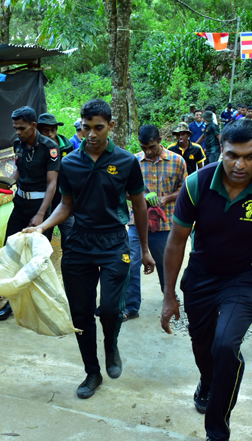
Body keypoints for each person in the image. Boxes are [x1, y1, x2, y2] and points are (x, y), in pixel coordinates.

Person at [161, 119, 252, 441]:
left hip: (244, 278)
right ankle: (208, 380)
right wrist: (169, 296)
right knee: (202, 346)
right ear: (220, 150)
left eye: (250, 156)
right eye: (232, 155)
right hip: (201, 276)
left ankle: (217, 433)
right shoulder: (196, 184)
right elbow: (176, 241)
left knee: (225, 347)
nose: (240, 165)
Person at [23, 99, 156, 399]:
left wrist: (145, 249)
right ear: (80, 127)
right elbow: (65, 205)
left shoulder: (126, 162)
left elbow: (139, 204)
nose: (92, 134)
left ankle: (111, 344)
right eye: (86, 128)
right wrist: (42, 226)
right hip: (79, 244)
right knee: (81, 315)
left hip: (113, 243)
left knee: (109, 310)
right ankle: (92, 372)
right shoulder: (70, 163)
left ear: (111, 126)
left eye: (98, 127)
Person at [0, 106, 60, 321]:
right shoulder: (18, 145)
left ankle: (40, 301)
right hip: (20, 204)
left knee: (37, 257)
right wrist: (5, 181)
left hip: (39, 207)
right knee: (11, 250)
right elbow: (19, 170)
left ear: (33, 126)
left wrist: (41, 215)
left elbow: (52, 184)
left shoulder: (50, 147)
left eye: (21, 128)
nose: (18, 132)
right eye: (15, 128)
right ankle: (12, 302)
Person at [123, 125, 186, 321]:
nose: (148, 152)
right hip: (137, 223)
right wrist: (138, 197)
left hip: (165, 224)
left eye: (151, 147)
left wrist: (166, 198)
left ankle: (169, 296)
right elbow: (123, 190)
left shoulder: (177, 161)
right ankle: (131, 307)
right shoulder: (133, 161)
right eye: (144, 147)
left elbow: (184, 189)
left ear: (160, 140)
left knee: (164, 263)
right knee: (131, 263)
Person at [37, 113, 76, 248]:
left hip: (64, 200)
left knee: (69, 238)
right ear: (39, 131)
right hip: (45, 201)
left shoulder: (67, 146)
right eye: (45, 131)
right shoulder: (38, 147)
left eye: (52, 130)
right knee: (43, 240)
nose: (50, 134)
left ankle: (69, 266)